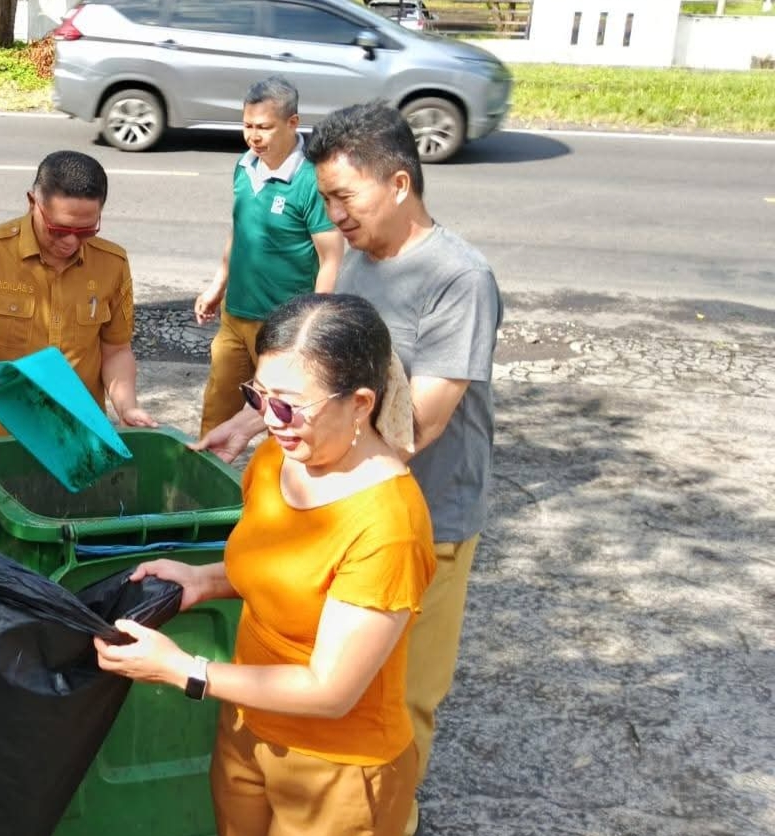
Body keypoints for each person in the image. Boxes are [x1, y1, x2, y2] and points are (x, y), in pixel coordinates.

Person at [201, 102, 503, 836]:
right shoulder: (363, 257)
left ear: (399, 184)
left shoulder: (459, 279)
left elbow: (416, 425)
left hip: (421, 519)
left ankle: (383, 815)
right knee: (321, 664)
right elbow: (318, 365)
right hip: (336, 509)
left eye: (344, 197)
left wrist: (299, 462)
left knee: (394, 698)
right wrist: (257, 417)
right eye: (326, 197)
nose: (333, 214)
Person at [97, 293, 436, 836]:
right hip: (246, 724)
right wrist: (202, 581)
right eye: (260, 397)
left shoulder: (388, 526)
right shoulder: (282, 457)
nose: (270, 420)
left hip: (337, 769)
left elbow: (331, 690)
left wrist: (184, 669)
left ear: (361, 402)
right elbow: (278, 570)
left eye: (288, 405)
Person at [0, 150, 156, 538]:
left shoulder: (112, 264)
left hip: (76, 437)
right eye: (59, 229)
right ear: (32, 202)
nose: (71, 241)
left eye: (86, 231)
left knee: (73, 535)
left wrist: (126, 406)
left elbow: (116, 350)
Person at [195, 76, 342, 439]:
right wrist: (218, 284)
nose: (253, 136)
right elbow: (240, 228)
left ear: (292, 123)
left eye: (264, 127)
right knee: (216, 412)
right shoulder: (245, 167)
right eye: (247, 126)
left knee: (283, 420)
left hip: (282, 326)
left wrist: (313, 327)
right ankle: (206, 489)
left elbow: (331, 258)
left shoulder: (310, 180)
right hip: (235, 315)